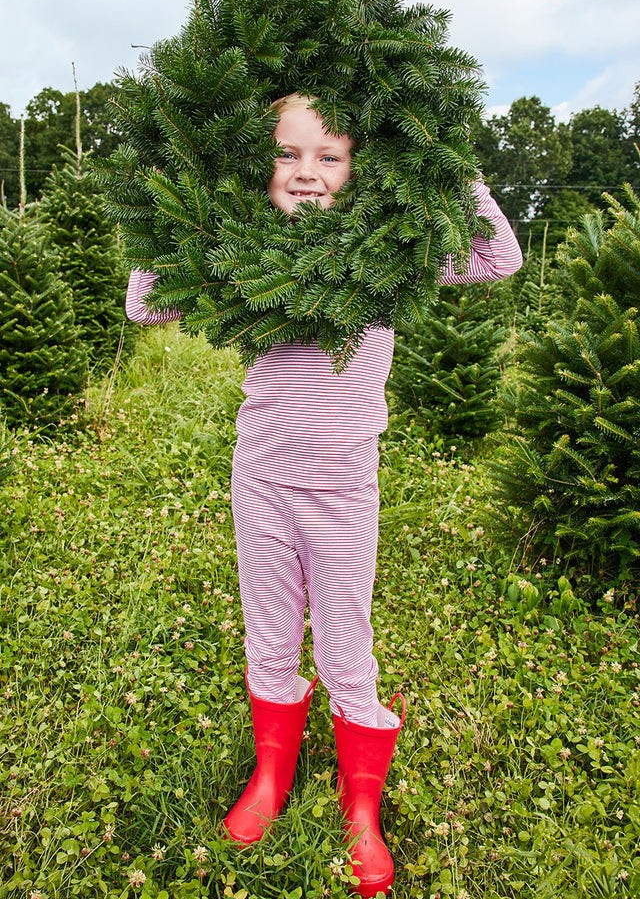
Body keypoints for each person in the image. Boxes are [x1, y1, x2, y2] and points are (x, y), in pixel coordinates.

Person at [125, 93, 523, 898]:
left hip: (344, 482)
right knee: (269, 625)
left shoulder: (387, 253)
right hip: (263, 473)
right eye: (288, 154)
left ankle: (360, 805)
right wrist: (185, 182)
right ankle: (271, 777)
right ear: (259, 164)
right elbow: (145, 303)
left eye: (330, 157)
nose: (307, 173)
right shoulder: (242, 252)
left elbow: (497, 259)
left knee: (345, 634)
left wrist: (444, 156)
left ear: (360, 169)